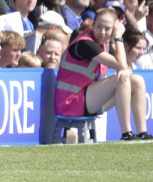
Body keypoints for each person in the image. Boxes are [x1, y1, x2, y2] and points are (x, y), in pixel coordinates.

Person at [55, 8, 152, 141]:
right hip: (70, 102)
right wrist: (118, 37)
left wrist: (125, 69)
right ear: (93, 25)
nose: (102, 32)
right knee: (121, 80)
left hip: (87, 101)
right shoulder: (85, 43)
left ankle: (142, 133)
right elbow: (121, 65)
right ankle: (126, 134)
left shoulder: (104, 44)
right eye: (99, 26)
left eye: (107, 28)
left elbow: (123, 65)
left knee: (137, 80)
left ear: (114, 28)